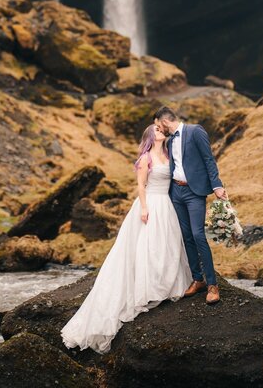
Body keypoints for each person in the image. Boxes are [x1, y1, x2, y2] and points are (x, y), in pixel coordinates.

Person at [61, 123, 192, 354]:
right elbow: (141, 185)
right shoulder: (145, 158)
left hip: (166, 205)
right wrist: (143, 208)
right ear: (151, 135)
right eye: (158, 130)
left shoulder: (169, 155)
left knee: (167, 245)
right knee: (147, 247)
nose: (162, 132)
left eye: (163, 130)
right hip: (150, 203)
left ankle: (165, 281)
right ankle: (148, 287)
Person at [154, 106, 226, 305]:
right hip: (176, 192)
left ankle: (212, 285)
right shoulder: (168, 141)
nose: (157, 128)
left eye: (158, 124)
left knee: (197, 235)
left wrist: (217, 185)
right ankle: (197, 279)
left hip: (195, 192)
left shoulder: (195, 131)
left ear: (165, 121)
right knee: (186, 236)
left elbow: (208, 159)